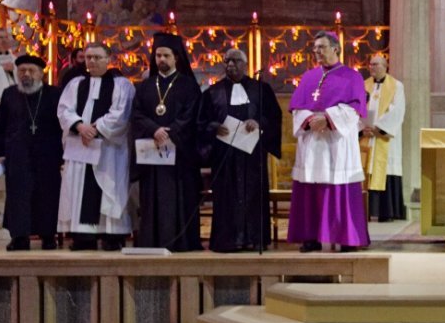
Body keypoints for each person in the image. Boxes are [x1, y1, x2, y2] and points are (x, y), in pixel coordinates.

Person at [288, 31, 370, 252]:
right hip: (312, 143)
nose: (317, 52)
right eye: (315, 48)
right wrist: (308, 119)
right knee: (310, 191)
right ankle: (310, 238)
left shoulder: (352, 77)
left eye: (321, 47)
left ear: (335, 48)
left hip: (337, 144)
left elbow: (355, 110)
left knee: (339, 190)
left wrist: (328, 118)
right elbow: (295, 108)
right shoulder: (308, 77)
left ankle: (346, 239)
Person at [199, 48, 282, 252]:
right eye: (226, 61)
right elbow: (201, 121)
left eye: (235, 61)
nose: (230, 65)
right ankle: (228, 240)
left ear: (245, 65)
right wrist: (214, 127)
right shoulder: (212, 92)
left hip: (251, 155)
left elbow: (273, 116)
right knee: (227, 196)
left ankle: (254, 238)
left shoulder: (260, 89)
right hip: (224, 156)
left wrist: (258, 122)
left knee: (253, 194)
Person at [56, 43, 135, 251]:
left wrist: (96, 128)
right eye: (89, 57)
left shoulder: (122, 85)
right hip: (80, 148)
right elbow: (64, 109)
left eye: (97, 57)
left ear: (108, 59)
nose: (92, 61)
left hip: (109, 149)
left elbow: (122, 114)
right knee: (80, 189)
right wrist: (80, 126)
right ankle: (83, 236)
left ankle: (112, 236)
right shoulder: (75, 84)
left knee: (109, 188)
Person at [131, 33, 204, 251]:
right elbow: (136, 113)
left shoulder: (188, 86)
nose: (161, 60)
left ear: (176, 58)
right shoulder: (144, 86)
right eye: (158, 56)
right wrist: (155, 130)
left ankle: (180, 243)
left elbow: (192, 116)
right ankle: (152, 241)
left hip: (179, 155)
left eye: (166, 55)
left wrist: (170, 132)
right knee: (152, 199)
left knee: (178, 198)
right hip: (152, 155)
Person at [0, 55, 64, 251]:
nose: (26, 75)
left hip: (47, 154)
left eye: (31, 71)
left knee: (47, 194)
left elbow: (61, 127)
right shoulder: (10, 94)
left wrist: (63, 155)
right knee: (18, 196)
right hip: (17, 154)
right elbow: (1, 126)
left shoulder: (54, 94)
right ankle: (19, 237)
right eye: (22, 71)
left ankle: (48, 236)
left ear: (41, 73)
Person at [364, 55, 407, 222]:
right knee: (367, 169)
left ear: (385, 66)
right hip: (367, 136)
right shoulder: (364, 85)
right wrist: (363, 127)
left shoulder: (396, 86)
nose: (372, 67)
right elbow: (357, 109)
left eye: (376, 64)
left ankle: (386, 212)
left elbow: (397, 111)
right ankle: (367, 210)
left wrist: (379, 128)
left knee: (386, 168)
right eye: (371, 64)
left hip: (384, 137)